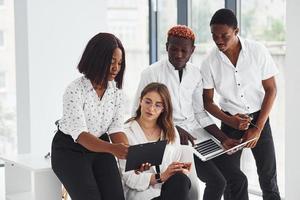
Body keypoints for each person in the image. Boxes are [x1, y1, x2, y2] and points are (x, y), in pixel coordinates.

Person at [132, 25, 240, 200]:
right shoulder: (151, 73)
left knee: (226, 180)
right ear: (166, 47)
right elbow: (139, 113)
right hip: (170, 141)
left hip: (197, 136)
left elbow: (199, 112)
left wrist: (223, 138)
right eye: (174, 49)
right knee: (215, 182)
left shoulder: (196, 74)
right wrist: (173, 130)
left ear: (193, 51)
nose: (179, 54)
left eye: (184, 50)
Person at [201, 8, 281, 200]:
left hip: (260, 118)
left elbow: (271, 89)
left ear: (236, 31)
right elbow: (207, 101)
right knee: (231, 180)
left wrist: (258, 128)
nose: (219, 40)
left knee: (268, 178)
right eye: (214, 36)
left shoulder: (257, 51)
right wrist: (230, 121)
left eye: (224, 35)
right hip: (229, 124)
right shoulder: (209, 61)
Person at [51, 32, 129, 200]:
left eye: (120, 63)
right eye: (111, 61)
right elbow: (81, 136)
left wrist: (132, 155)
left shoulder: (117, 93)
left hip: (101, 147)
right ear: (97, 59)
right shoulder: (75, 90)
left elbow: (116, 130)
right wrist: (113, 150)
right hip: (70, 150)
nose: (116, 68)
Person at [120, 82, 200, 200]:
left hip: (170, 191)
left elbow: (175, 165)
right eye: (148, 102)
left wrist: (177, 170)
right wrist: (161, 177)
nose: (151, 108)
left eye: (158, 105)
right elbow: (128, 178)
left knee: (180, 179)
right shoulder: (126, 133)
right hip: (143, 195)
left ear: (163, 108)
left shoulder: (171, 131)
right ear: (140, 101)